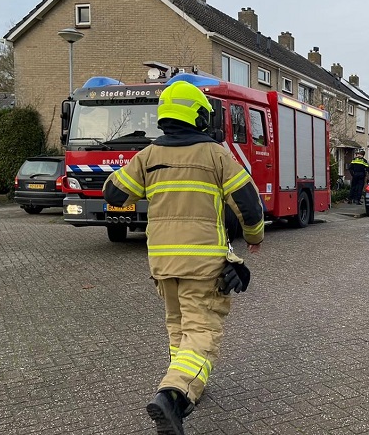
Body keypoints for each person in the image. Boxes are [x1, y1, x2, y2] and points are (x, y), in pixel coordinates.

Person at [102, 80, 264, 435]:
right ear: (198, 116)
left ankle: (190, 389)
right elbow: (249, 205)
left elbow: (114, 194)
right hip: (203, 264)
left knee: (179, 328)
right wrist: (254, 238)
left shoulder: (148, 156)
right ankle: (172, 395)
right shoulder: (215, 154)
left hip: (162, 265)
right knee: (203, 332)